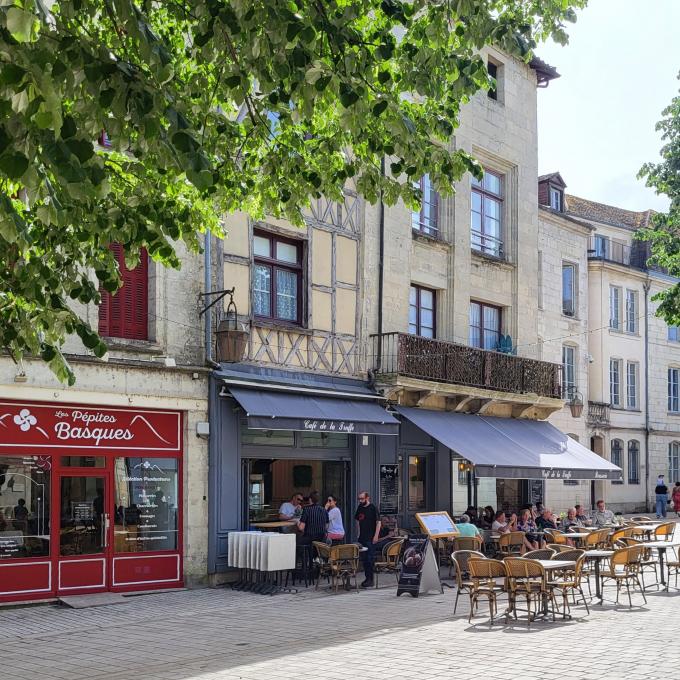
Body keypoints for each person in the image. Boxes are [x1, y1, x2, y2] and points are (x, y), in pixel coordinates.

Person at [355, 491, 381, 588]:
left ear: (367, 498)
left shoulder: (373, 508)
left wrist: (376, 536)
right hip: (362, 537)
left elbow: (378, 522)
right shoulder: (360, 508)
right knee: (364, 559)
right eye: (359, 499)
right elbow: (357, 520)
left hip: (370, 537)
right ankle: (367, 578)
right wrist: (358, 533)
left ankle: (370, 579)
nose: (360, 501)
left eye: (362, 499)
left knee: (369, 558)